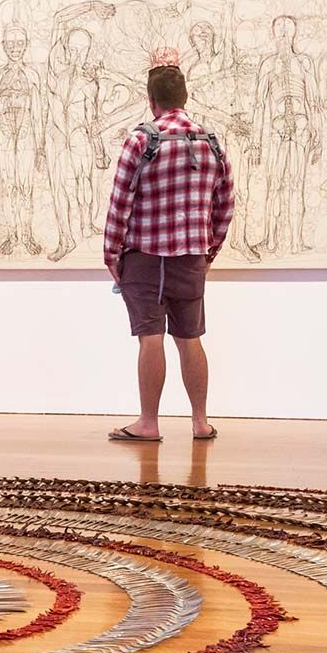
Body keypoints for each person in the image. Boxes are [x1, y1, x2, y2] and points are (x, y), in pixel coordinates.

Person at [102, 65, 234, 442]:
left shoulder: (142, 141)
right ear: (184, 97)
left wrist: (112, 255)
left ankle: (148, 422)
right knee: (190, 336)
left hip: (146, 255)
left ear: (151, 99)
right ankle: (200, 422)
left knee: (151, 336)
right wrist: (209, 251)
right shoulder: (211, 142)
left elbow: (120, 202)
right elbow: (225, 204)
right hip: (192, 255)